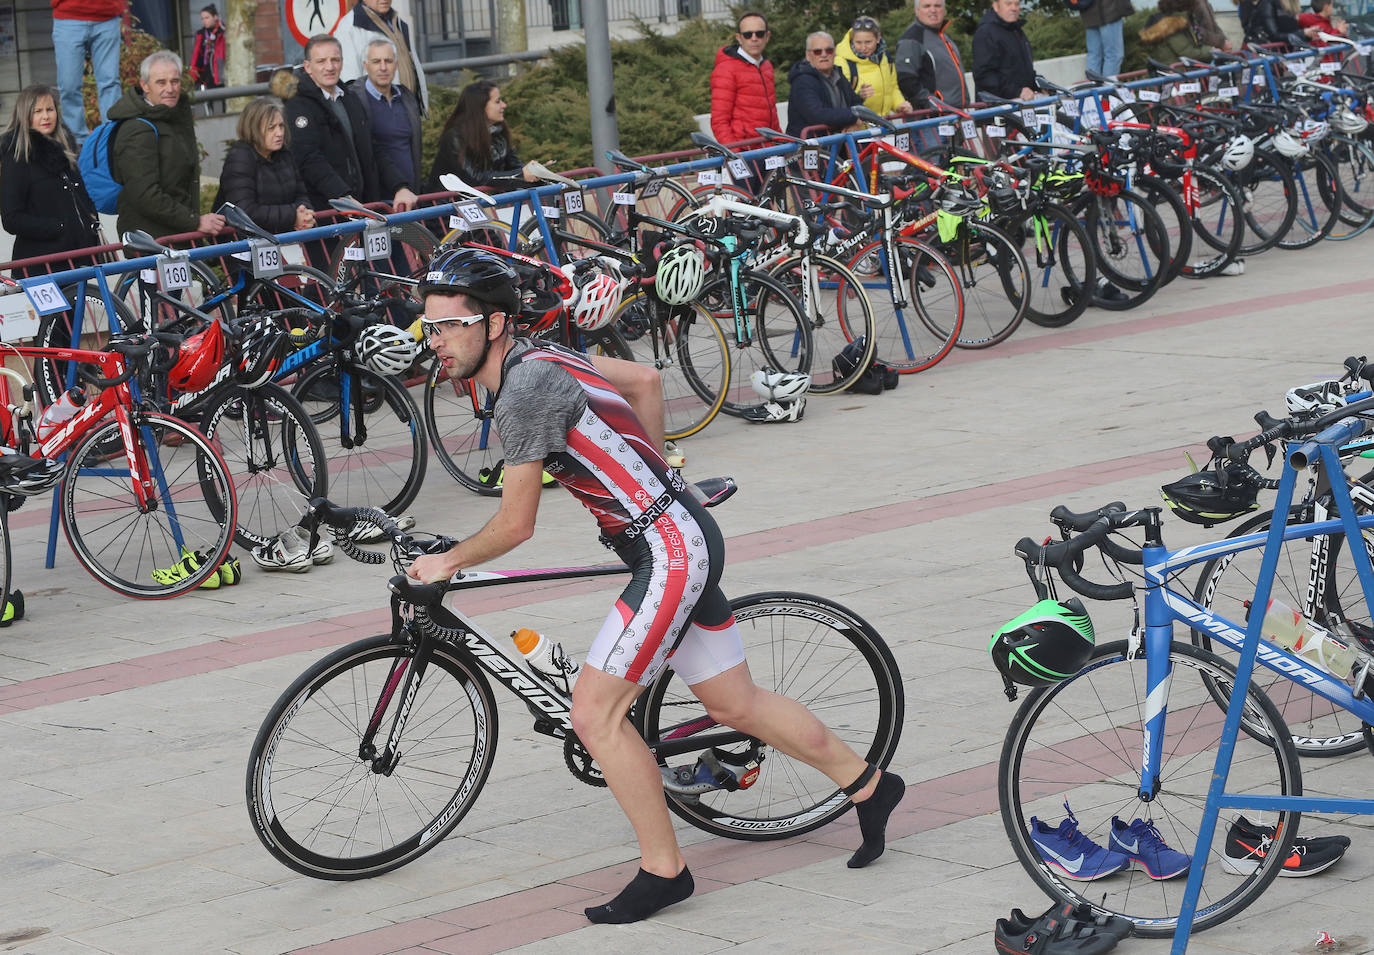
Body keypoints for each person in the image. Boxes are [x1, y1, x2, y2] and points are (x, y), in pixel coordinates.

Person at [408, 247, 906, 925]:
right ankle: (870, 787)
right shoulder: (545, 356)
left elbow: (516, 523)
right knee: (735, 702)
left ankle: (664, 871)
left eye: (446, 326)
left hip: (669, 549)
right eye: (427, 326)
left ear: (493, 323)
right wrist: (653, 475)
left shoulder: (522, 392)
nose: (432, 341)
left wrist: (449, 561)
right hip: (680, 529)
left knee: (595, 714)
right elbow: (642, 380)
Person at [281, 34, 417, 214]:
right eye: (321, 61)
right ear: (308, 67)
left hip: (363, 207)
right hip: (326, 213)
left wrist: (400, 187)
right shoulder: (298, 105)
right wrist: (341, 196)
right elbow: (308, 158)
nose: (329, 67)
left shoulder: (350, 98)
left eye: (335, 60)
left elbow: (372, 149)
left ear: (342, 62)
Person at [108, 50, 225, 241]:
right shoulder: (137, 129)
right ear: (144, 85)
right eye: (161, 82)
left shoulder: (172, 118)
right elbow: (145, 195)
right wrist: (195, 221)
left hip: (175, 235)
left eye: (175, 81)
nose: (170, 89)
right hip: (150, 241)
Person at [0, 84, 101, 277]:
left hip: (74, 263)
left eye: (50, 109)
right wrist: (59, 228)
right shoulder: (17, 157)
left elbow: (80, 200)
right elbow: (11, 219)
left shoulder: (65, 152)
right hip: (39, 268)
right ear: (25, 115)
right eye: (38, 111)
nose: (46, 116)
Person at [215, 97, 314, 234]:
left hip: (283, 238)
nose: (279, 133)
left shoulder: (284, 155)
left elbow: (302, 194)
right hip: (245, 246)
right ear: (253, 129)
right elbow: (244, 210)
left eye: (281, 126)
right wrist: (292, 216)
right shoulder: (240, 158)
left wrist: (304, 214)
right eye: (271, 128)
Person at [427, 80, 535, 192]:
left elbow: (514, 166)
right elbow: (473, 178)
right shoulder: (455, 137)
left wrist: (534, 172)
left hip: (484, 203)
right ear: (480, 106)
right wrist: (520, 175)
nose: (504, 105)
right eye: (497, 101)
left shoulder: (499, 132)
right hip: (449, 204)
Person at [347, 38, 422, 199]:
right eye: (376, 61)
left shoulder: (407, 98)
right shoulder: (354, 100)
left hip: (409, 197)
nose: (383, 67)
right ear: (365, 66)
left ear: (395, 64)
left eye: (388, 61)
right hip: (376, 201)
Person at [50, 0, 123, 145]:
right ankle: (76, 144)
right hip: (68, 16)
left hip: (107, 15)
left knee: (110, 83)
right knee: (68, 87)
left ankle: (113, 139)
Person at [336, 0, 428, 114]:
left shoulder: (397, 22)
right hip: (378, 116)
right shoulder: (348, 27)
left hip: (408, 111)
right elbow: (350, 83)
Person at [708, 11, 781, 146]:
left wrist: (782, 144)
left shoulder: (766, 66)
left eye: (759, 34)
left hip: (769, 149)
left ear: (767, 36)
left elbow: (772, 115)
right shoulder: (726, 69)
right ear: (739, 38)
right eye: (748, 35)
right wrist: (735, 155)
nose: (754, 38)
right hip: (745, 153)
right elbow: (719, 121)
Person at [786, 32, 864, 138]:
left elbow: (855, 102)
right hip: (809, 147)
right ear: (808, 56)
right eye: (817, 51)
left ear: (834, 53)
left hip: (836, 146)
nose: (824, 54)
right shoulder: (802, 81)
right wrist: (853, 117)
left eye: (829, 50)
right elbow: (817, 114)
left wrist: (854, 120)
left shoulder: (839, 74)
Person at [896, 0, 970, 110]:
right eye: (927, 6)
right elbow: (906, 80)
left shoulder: (944, 37)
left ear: (944, 10)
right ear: (917, 11)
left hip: (956, 112)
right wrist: (931, 103)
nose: (933, 10)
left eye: (937, 6)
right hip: (931, 118)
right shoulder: (912, 39)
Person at [836, 16, 913, 116]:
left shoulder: (885, 57)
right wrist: (859, 96)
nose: (863, 48)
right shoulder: (842, 62)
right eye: (858, 42)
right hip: (858, 127)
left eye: (868, 42)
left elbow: (892, 87)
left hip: (884, 123)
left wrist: (900, 104)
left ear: (878, 38)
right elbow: (839, 99)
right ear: (852, 39)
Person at [973, 0, 1037, 101]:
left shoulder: (1017, 31)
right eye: (1008, 4)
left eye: (1017, 4)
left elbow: (1024, 71)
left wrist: (1039, 85)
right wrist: (1017, 91)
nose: (1014, 8)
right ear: (995, 6)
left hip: (1021, 105)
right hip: (997, 109)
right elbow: (984, 77)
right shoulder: (986, 33)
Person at [1140, 0, 1221, 63]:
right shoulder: (1173, 24)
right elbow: (1186, 52)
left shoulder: (1169, 21)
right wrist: (1211, 51)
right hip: (1177, 74)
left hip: (1173, 73)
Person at [1078, 0, 1134, 77]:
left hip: (1088, 14)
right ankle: (1107, 87)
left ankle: (1092, 86)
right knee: (1113, 55)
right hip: (1108, 12)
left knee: (1094, 55)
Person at [191, 4, 227, 115]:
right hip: (207, 70)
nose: (204, 21)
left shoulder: (223, 31)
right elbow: (197, 54)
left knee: (224, 95)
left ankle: (224, 113)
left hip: (220, 68)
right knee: (208, 96)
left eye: (207, 17)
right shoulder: (201, 34)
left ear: (215, 17)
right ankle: (211, 114)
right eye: (202, 18)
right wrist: (194, 72)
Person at [1237, 0, 1319, 44]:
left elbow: (1290, 30)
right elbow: (1273, 35)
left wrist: (1307, 34)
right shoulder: (1268, 3)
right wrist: (1303, 33)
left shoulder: (1291, 4)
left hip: (1284, 52)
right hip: (1265, 51)